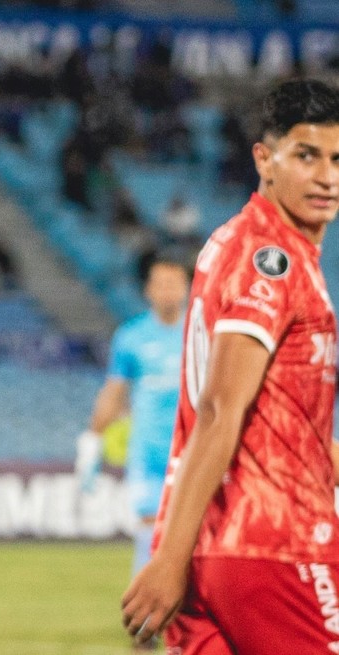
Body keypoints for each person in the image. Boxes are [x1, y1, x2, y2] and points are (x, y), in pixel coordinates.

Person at [120, 79, 339, 652]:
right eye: (307, 156)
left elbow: (280, 428)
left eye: (338, 159)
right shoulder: (273, 259)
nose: (326, 176)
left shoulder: (232, 242)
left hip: (213, 541)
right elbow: (220, 409)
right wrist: (168, 560)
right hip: (276, 543)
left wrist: (176, 551)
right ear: (264, 159)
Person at [75, 252, 188, 650]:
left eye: (174, 283)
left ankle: (193, 618)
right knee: (149, 533)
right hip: (149, 455)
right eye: (160, 283)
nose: (167, 290)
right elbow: (114, 392)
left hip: (194, 456)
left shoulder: (202, 332)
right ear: (148, 290)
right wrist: (91, 441)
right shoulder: (132, 337)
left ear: (187, 287)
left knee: (197, 540)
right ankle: (146, 624)